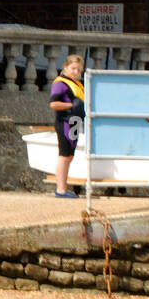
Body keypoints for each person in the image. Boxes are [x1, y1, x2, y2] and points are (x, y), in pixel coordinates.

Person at [48, 53, 85, 198]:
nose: (76, 72)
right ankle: (60, 189)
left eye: (79, 70)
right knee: (64, 156)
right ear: (66, 67)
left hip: (75, 122)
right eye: (73, 68)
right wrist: (71, 105)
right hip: (64, 121)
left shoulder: (77, 84)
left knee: (69, 156)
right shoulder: (60, 83)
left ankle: (63, 187)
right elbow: (54, 104)